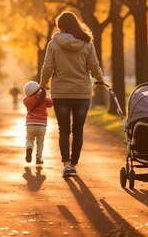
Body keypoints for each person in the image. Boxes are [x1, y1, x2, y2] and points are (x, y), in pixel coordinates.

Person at [39, 11, 105, 178]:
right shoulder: (87, 43)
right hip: (82, 92)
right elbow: (94, 66)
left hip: (60, 92)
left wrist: (43, 84)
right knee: (78, 130)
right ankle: (74, 165)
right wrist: (100, 80)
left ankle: (66, 165)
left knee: (64, 130)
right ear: (75, 24)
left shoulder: (53, 44)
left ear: (60, 26)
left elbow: (47, 67)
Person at [23, 81, 53, 165]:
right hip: (42, 125)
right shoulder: (43, 99)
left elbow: (24, 100)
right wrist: (46, 93)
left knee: (29, 139)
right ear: (38, 89)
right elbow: (51, 103)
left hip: (30, 124)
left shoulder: (27, 100)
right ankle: (39, 158)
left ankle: (29, 147)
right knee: (40, 142)